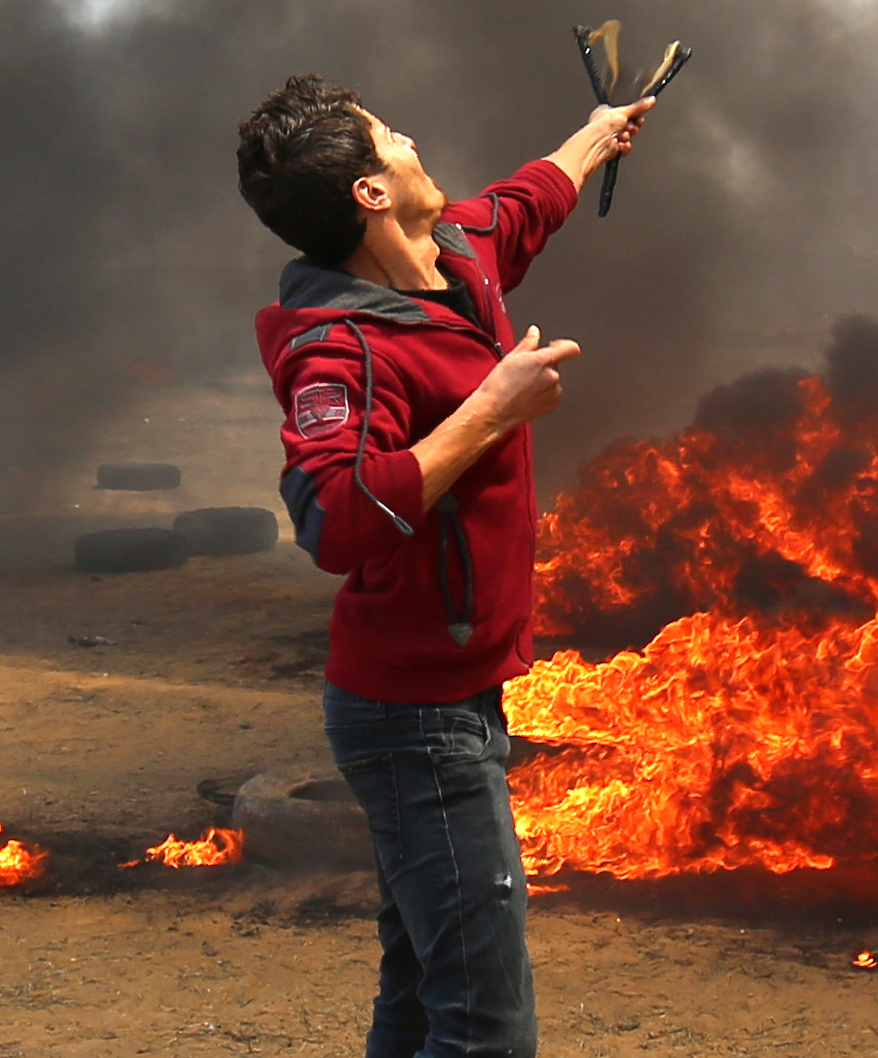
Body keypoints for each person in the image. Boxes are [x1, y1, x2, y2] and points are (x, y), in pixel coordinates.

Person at [237, 74, 653, 1058]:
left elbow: (524, 201)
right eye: (391, 140)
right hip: (412, 721)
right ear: (369, 195)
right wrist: (490, 411)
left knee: (424, 994)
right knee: (483, 1029)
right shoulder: (336, 352)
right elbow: (335, 522)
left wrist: (596, 136)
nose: (413, 139)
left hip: (458, 700)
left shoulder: (450, 255)